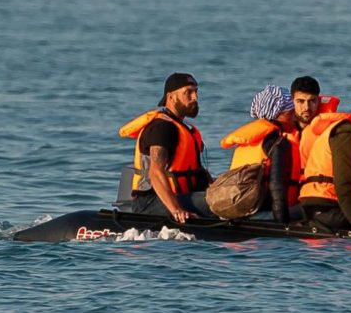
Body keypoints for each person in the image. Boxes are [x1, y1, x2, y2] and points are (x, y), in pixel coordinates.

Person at [119, 73, 213, 222]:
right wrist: (177, 210)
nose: (195, 97)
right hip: (150, 203)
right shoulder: (162, 128)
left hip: (181, 196)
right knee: (218, 202)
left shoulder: (184, 128)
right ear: (170, 97)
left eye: (196, 92)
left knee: (226, 196)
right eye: (188, 92)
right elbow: (156, 173)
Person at [299, 94, 351, 240]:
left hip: (319, 201)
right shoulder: (347, 134)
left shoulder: (349, 131)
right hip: (326, 203)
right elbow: (344, 184)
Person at [221, 85, 300, 223]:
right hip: (263, 212)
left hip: (239, 209)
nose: (295, 116)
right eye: (291, 112)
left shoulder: (248, 140)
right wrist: (283, 225)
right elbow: (277, 187)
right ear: (277, 113)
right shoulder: (278, 143)